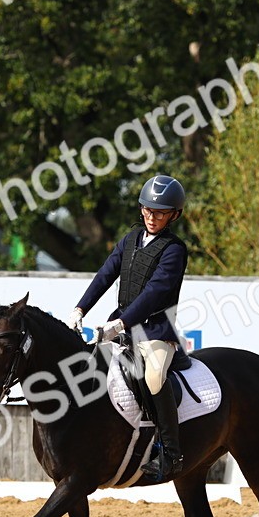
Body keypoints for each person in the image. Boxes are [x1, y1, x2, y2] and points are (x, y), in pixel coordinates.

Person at [69, 174, 188, 481]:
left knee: (152, 375)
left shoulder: (174, 249)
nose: (152, 217)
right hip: (120, 324)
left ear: (174, 215)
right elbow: (106, 273)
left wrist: (119, 324)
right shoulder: (131, 238)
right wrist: (80, 308)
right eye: (148, 210)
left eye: (160, 213)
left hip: (155, 330)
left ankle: (171, 454)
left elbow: (156, 293)